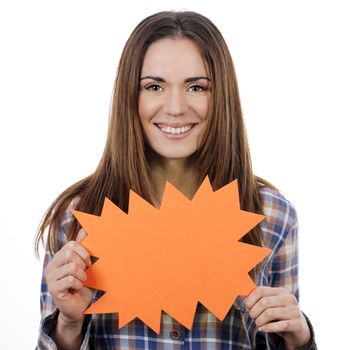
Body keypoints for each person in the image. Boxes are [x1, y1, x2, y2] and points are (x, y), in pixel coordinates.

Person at [35, 10, 317, 350]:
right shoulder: (77, 215)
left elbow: (281, 336)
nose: (175, 107)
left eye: (196, 87)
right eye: (154, 86)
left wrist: (299, 337)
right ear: (130, 96)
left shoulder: (273, 214)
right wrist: (68, 323)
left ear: (221, 96)